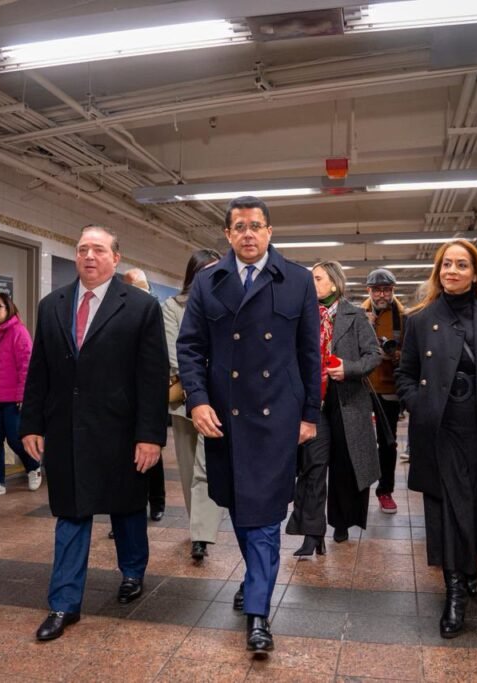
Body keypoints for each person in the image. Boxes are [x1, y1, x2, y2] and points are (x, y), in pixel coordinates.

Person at [178, 196, 320, 655]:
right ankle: (255, 577)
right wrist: (197, 401)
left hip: (277, 416)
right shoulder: (208, 281)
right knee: (240, 507)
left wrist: (310, 414)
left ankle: (258, 614)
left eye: (256, 225)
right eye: (239, 226)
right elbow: (190, 348)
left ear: (270, 231)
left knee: (264, 515)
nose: (248, 233)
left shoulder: (297, 279)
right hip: (225, 417)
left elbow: (309, 354)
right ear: (227, 234)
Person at [21, 225, 168, 642]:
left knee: (126, 508)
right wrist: (31, 423)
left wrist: (150, 435)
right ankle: (64, 603)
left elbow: (153, 376)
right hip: (67, 428)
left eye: (98, 250)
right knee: (71, 513)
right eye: (83, 248)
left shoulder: (140, 307)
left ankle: (133, 571)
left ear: (115, 258)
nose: (89, 256)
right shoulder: (52, 305)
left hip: (121, 430)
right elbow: (39, 369)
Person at [395, 240, 477, 639]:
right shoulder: (420, 319)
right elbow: (405, 373)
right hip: (443, 427)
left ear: (475, 273)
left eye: (461, 265)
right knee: (451, 507)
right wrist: (419, 404)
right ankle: (455, 592)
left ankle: (470, 563)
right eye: (446, 264)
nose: (452, 271)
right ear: (438, 272)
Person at [287, 261, 381, 556]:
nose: (311, 283)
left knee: (344, 466)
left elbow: (374, 354)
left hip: (346, 402)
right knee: (313, 467)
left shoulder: (355, 315)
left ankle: (341, 523)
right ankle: (312, 533)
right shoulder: (302, 314)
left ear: (334, 283)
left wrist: (348, 368)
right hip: (313, 404)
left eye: (317, 278)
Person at [162, 249, 224, 560]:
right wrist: (198, 387)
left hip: (222, 399)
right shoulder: (173, 307)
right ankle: (196, 525)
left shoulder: (229, 303)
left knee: (206, 467)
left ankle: (201, 534)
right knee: (189, 468)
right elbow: (176, 353)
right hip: (186, 397)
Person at [0, 292, 40, 498]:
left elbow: (26, 366)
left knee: (16, 439)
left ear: (8, 308)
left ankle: (34, 467)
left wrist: (22, 396)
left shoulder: (18, 331)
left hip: (13, 399)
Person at [122, 267, 165, 521]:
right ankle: (124, 511)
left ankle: (157, 501)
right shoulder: (118, 309)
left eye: (142, 287)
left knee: (151, 453)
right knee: (123, 459)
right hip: (122, 396)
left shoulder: (153, 309)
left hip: (146, 393)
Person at [361, 267, 404, 513]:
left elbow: (413, 352)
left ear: (392, 290)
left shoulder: (403, 317)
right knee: (359, 441)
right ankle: (358, 490)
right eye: (376, 290)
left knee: (388, 443)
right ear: (369, 290)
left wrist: (397, 356)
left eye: (386, 290)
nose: (381, 295)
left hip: (389, 388)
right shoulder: (358, 314)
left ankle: (385, 490)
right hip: (362, 387)